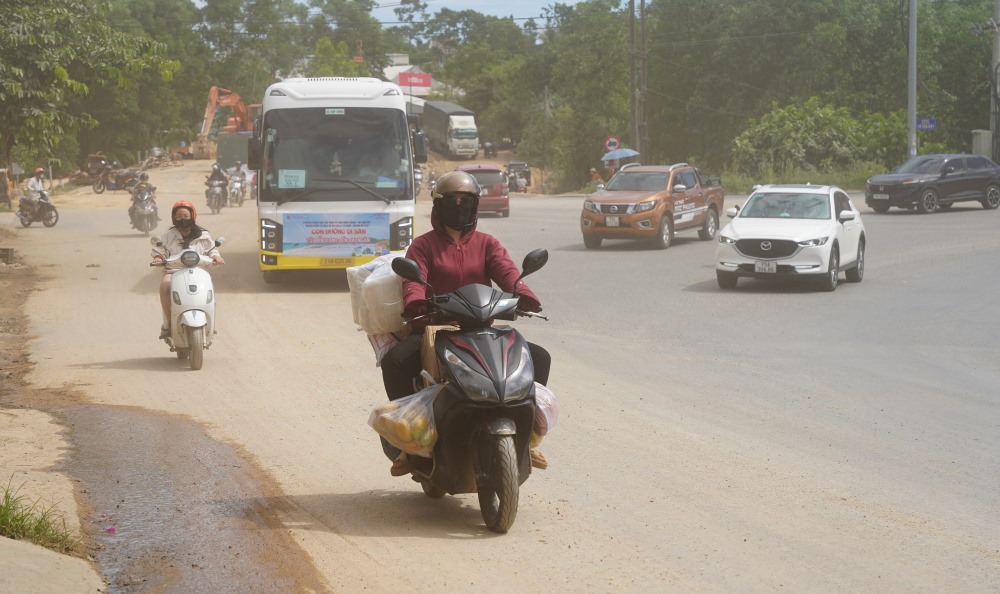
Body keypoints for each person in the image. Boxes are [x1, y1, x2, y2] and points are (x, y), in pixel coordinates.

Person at [379, 170, 552, 476]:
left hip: (480, 327)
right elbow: (413, 280)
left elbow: (508, 273)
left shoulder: (487, 244)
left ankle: (529, 438)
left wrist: (523, 295)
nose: (458, 205)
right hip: (435, 327)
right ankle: (408, 439)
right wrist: (416, 302)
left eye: (465, 200)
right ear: (438, 205)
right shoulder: (423, 245)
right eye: (451, 200)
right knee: (396, 359)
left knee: (537, 357)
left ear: (474, 205)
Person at [151, 201, 225, 339]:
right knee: (164, 287)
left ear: (193, 215)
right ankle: (168, 325)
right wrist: (157, 257)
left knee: (209, 290)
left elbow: (212, 250)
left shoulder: (203, 234)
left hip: (198, 271)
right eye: (179, 216)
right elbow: (159, 250)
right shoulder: (168, 234)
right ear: (174, 218)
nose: (183, 219)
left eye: (186, 215)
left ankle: (211, 323)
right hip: (174, 271)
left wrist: (216, 257)